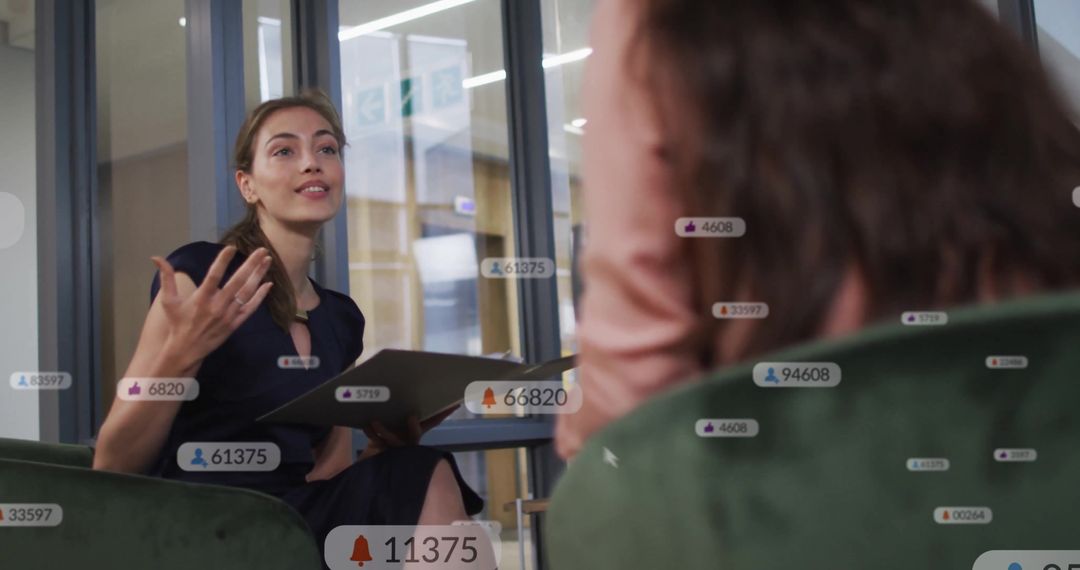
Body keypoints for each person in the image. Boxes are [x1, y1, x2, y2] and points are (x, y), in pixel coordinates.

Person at [555, 0, 1080, 458]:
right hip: (1020, 443)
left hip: (808, 479)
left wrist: (586, 457)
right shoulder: (953, 29)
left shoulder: (654, 23)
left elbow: (633, 380)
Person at [93, 90, 483, 563]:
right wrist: (181, 353)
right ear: (247, 184)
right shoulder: (199, 277)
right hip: (196, 517)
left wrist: (381, 451)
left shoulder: (341, 318)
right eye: (284, 151)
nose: (311, 164)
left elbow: (327, 473)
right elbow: (112, 463)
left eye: (326, 149)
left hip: (294, 517)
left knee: (419, 467)